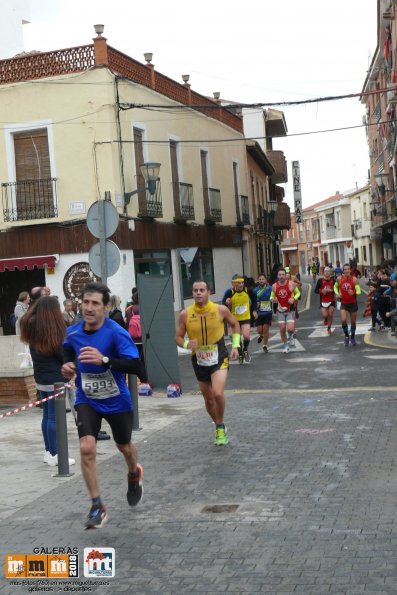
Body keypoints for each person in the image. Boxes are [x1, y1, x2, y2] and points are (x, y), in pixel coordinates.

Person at [61, 282, 147, 529]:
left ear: (106, 307)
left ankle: (133, 474)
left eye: (95, 303)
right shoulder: (73, 332)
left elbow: (137, 367)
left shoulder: (115, 332)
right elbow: (66, 350)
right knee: (87, 447)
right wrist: (67, 365)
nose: (88, 308)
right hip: (87, 399)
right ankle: (97, 505)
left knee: (124, 446)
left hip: (117, 400)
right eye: (85, 302)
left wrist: (105, 360)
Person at [175, 280, 240, 446]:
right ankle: (219, 423)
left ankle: (219, 427)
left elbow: (235, 324)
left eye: (201, 290)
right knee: (209, 400)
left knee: (218, 393)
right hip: (199, 359)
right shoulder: (185, 314)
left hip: (219, 356)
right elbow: (178, 337)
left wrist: (236, 345)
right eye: (195, 290)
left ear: (208, 292)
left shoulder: (220, 310)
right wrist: (186, 344)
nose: (198, 293)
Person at [20, 296, 75, 468]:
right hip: (56, 380)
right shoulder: (53, 330)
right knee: (54, 417)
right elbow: (62, 355)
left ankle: (48, 451)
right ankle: (56, 454)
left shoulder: (32, 327)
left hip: (41, 379)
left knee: (47, 416)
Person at [222, 274, 257, 363]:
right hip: (234, 319)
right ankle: (240, 352)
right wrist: (226, 302)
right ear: (233, 284)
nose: (241, 285)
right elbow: (223, 305)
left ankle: (245, 349)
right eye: (238, 283)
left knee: (246, 336)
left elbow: (254, 298)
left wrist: (254, 310)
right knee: (235, 338)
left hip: (245, 317)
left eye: (242, 283)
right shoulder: (229, 292)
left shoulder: (247, 291)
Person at [271, 268, 301, 354]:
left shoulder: (291, 284)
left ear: (285, 275)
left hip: (290, 309)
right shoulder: (274, 286)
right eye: (279, 275)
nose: (281, 276)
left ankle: (291, 336)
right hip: (280, 310)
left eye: (283, 275)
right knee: (282, 329)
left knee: (291, 329)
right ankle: (286, 345)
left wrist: (293, 298)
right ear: (277, 276)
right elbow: (271, 296)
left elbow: (298, 293)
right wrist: (273, 299)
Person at [334, 263, 362, 346]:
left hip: (353, 303)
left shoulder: (354, 279)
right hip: (344, 303)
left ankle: (352, 337)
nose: (346, 270)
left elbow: (359, 291)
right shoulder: (339, 279)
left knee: (353, 322)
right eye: (345, 269)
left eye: (348, 269)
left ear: (350, 270)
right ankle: (346, 336)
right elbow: (335, 287)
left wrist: (353, 292)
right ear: (343, 270)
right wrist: (337, 294)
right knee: (343, 320)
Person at [253, 273, 272, 352]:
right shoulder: (255, 290)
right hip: (259, 313)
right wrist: (255, 304)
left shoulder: (270, 288)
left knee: (265, 329)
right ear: (258, 280)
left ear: (265, 280)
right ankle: (261, 336)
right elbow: (252, 301)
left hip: (267, 312)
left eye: (263, 279)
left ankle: (265, 345)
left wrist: (272, 299)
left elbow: (274, 296)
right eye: (260, 279)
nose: (261, 280)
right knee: (260, 330)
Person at [314, 267, 335, 334]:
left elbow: (337, 290)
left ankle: (329, 328)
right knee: (325, 315)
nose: (327, 272)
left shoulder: (333, 281)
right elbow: (316, 290)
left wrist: (331, 291)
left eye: (328, 271)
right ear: (324, 273)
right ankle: (325, 319)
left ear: (330, 273)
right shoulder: (320, 280)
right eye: (326, 271)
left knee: (330, 313)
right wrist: (322, 291)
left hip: (331, 300)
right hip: (323, 301)